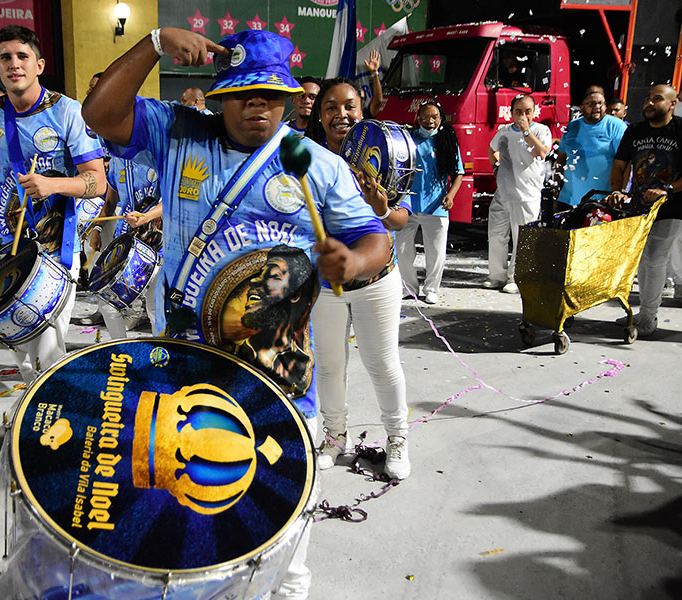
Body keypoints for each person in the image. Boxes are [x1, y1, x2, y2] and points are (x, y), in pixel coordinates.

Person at [84, 29, 392, 600]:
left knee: (283, 495)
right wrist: (153, 43)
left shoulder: (315, 165)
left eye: (271, 94)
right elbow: (101, 114)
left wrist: (352, 260)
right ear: (223, 94)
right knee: (186, 489)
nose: (259, 105)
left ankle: (284, 589)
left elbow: (376, 240)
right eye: (245, 92)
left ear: (288, 97)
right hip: (185, 360)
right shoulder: (179, 132)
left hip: (277, 367)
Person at [0, 25, 106, 385]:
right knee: (21, 344)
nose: (14, 64)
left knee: (48, 344)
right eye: (6, 57)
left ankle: (57, 409)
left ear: (39, 64)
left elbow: (97, 181)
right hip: (11, 244)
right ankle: (37, 405)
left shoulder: (67, 111)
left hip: (58, 244)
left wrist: (53, 184)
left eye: (22, 56)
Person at [304, 77, 412, 476]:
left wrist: (382, 208)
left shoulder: (384, 151)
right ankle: (335, 439)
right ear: (320, 115)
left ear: (362, 109)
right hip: (327, 284)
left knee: (382, 364)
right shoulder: (308, 156)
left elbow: (401, 218)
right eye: (330, 107)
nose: (341, 114)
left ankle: (397, 441)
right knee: (330, 365)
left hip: (376, 281)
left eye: (349, 105)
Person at [607, 84, 682, 337]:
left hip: (672, 206)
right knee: (641, 259)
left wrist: (668, 189)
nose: (649, 103)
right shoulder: (635, 131)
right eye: (648, 98)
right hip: (638, 205)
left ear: (673, 103)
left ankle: (650, 316)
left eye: (657, 99)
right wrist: (617, 190)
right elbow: (619, 165)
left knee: (656, 258)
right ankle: (642, 312)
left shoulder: (680, 129)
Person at [485, 94, 553, 293]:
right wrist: (496, 167)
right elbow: (491, 148)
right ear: (511, 112)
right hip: (503, 193)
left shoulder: (541, 130)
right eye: (518, 111)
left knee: (521, 238)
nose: (523, 115)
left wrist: (526, 131)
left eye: (527, 111)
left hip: (527, 195)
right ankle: (496, 275)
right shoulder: (504, 131)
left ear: (534, 111)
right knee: (497, 235)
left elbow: (541, 152)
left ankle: (516, 278)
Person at [398, 101, 464, 304]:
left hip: (436, 205)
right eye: (425, 117)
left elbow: (458, 173)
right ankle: (409, 287)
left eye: (434, 117)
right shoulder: (407, 138)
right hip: (408, 203)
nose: (430, 121)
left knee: (436, 252)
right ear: (418, 118)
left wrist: (450, 195)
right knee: (401, 249)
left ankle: (431, 289)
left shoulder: (447, 140)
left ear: (440, 118)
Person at [88, 157, 163, 338]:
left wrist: (145, 217)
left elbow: (172, 200)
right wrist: (97, 228)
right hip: (126, 243)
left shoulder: (156, 154)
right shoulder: (116, 162)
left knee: (155, 307)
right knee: (108, 303)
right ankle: (120, 353)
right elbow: (110, 203)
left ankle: (161, 356)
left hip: (158, 245)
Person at [556, 91, 626, 210]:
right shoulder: (572, 126)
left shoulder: (616, 126)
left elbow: (624, 162)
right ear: (582, 108)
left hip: (600, 200)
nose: (597, 107)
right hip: (568, 199)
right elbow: (561, 156)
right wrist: (556, 184)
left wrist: (619, 192)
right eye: (592, 104)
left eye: (601, 103)